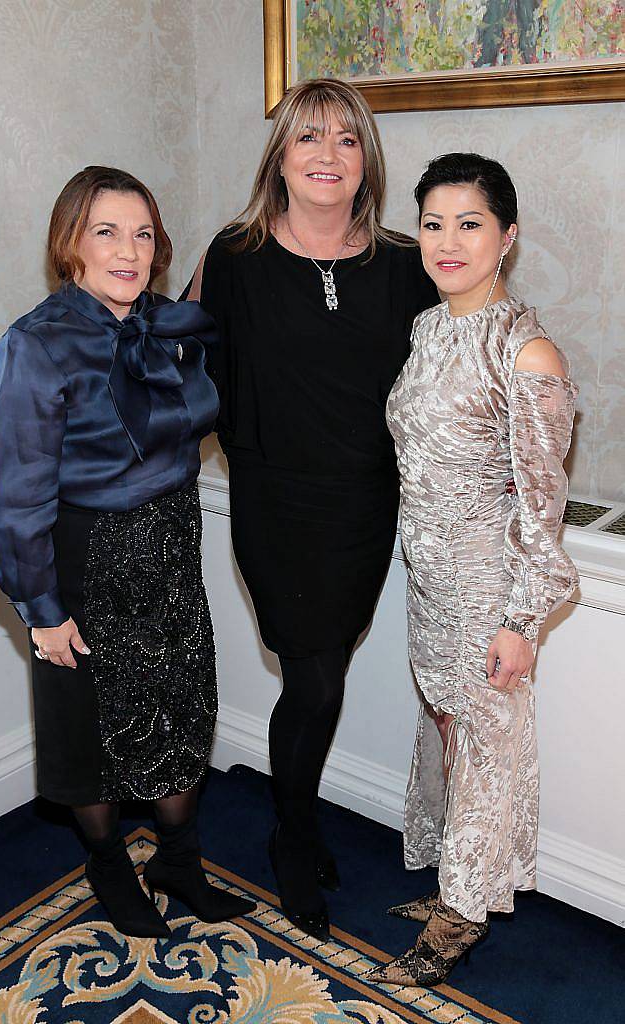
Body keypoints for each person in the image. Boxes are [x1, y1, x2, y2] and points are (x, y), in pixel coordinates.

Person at [186, 78, 438, 939]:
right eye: (308, 138)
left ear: (365, 159)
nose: (327, 155)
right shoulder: (235, 256)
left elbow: (443, 387)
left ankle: (294, 821)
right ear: (281, 158)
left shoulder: (407, 265)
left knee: (319, 675)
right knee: (315, 676)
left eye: (346, 139)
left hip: (366, 507)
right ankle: (294, 837)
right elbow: (184, 372)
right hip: (275, 501)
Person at [0, 166, 255, 939]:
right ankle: (107, 868)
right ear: (71, 244)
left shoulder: (170, 324)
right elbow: (18, 493)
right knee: (92, 735)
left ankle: (178, 860)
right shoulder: (37, 346)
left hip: (170, 547)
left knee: (180, 713)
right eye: (106, 231)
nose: (129, 250)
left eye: (142, 233)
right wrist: (41, 610)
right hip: (83, 561)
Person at [369, 152, 578, 986]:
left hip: (491, 588)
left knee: (488, 748)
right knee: (452, 732)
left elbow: (542, 503)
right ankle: (462, 879)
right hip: (430, 579)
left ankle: (462, 915)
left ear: (508, 236)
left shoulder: (528, 354)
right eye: (432, 223)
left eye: (470, 223)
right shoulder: (428, 327)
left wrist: (522, 623)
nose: (447, 241)